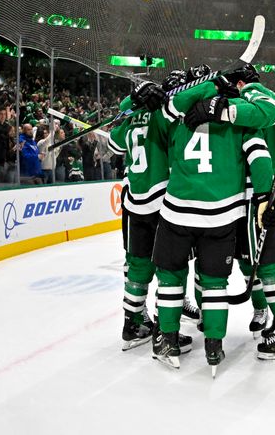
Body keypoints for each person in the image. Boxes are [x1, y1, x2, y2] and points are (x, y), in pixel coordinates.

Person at [155, 66, 275, 371]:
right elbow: (260, 157)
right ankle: (214, 345)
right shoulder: (239, 115)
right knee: (215, 282)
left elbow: (166, 108)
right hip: (221, 215)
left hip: (177, 210)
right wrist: (263, 198)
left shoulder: (180, 112)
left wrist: (205, 86)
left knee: (170, 277)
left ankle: (167, 339)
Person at [183, 64, 275, 362]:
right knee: (274, 261)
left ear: (239, 84)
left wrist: (221, 109)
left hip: (266, 193)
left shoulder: (255, 94)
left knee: (267, 266)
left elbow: (261, 113)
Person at [108, 79, 186, 353]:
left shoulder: (130, 111)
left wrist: (130, 107)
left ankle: (133, 322)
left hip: (133, 197)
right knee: (169, 265)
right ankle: (166, 329)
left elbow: (115, 146)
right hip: (162, 196)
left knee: (137, 265)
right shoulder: (163, 110)